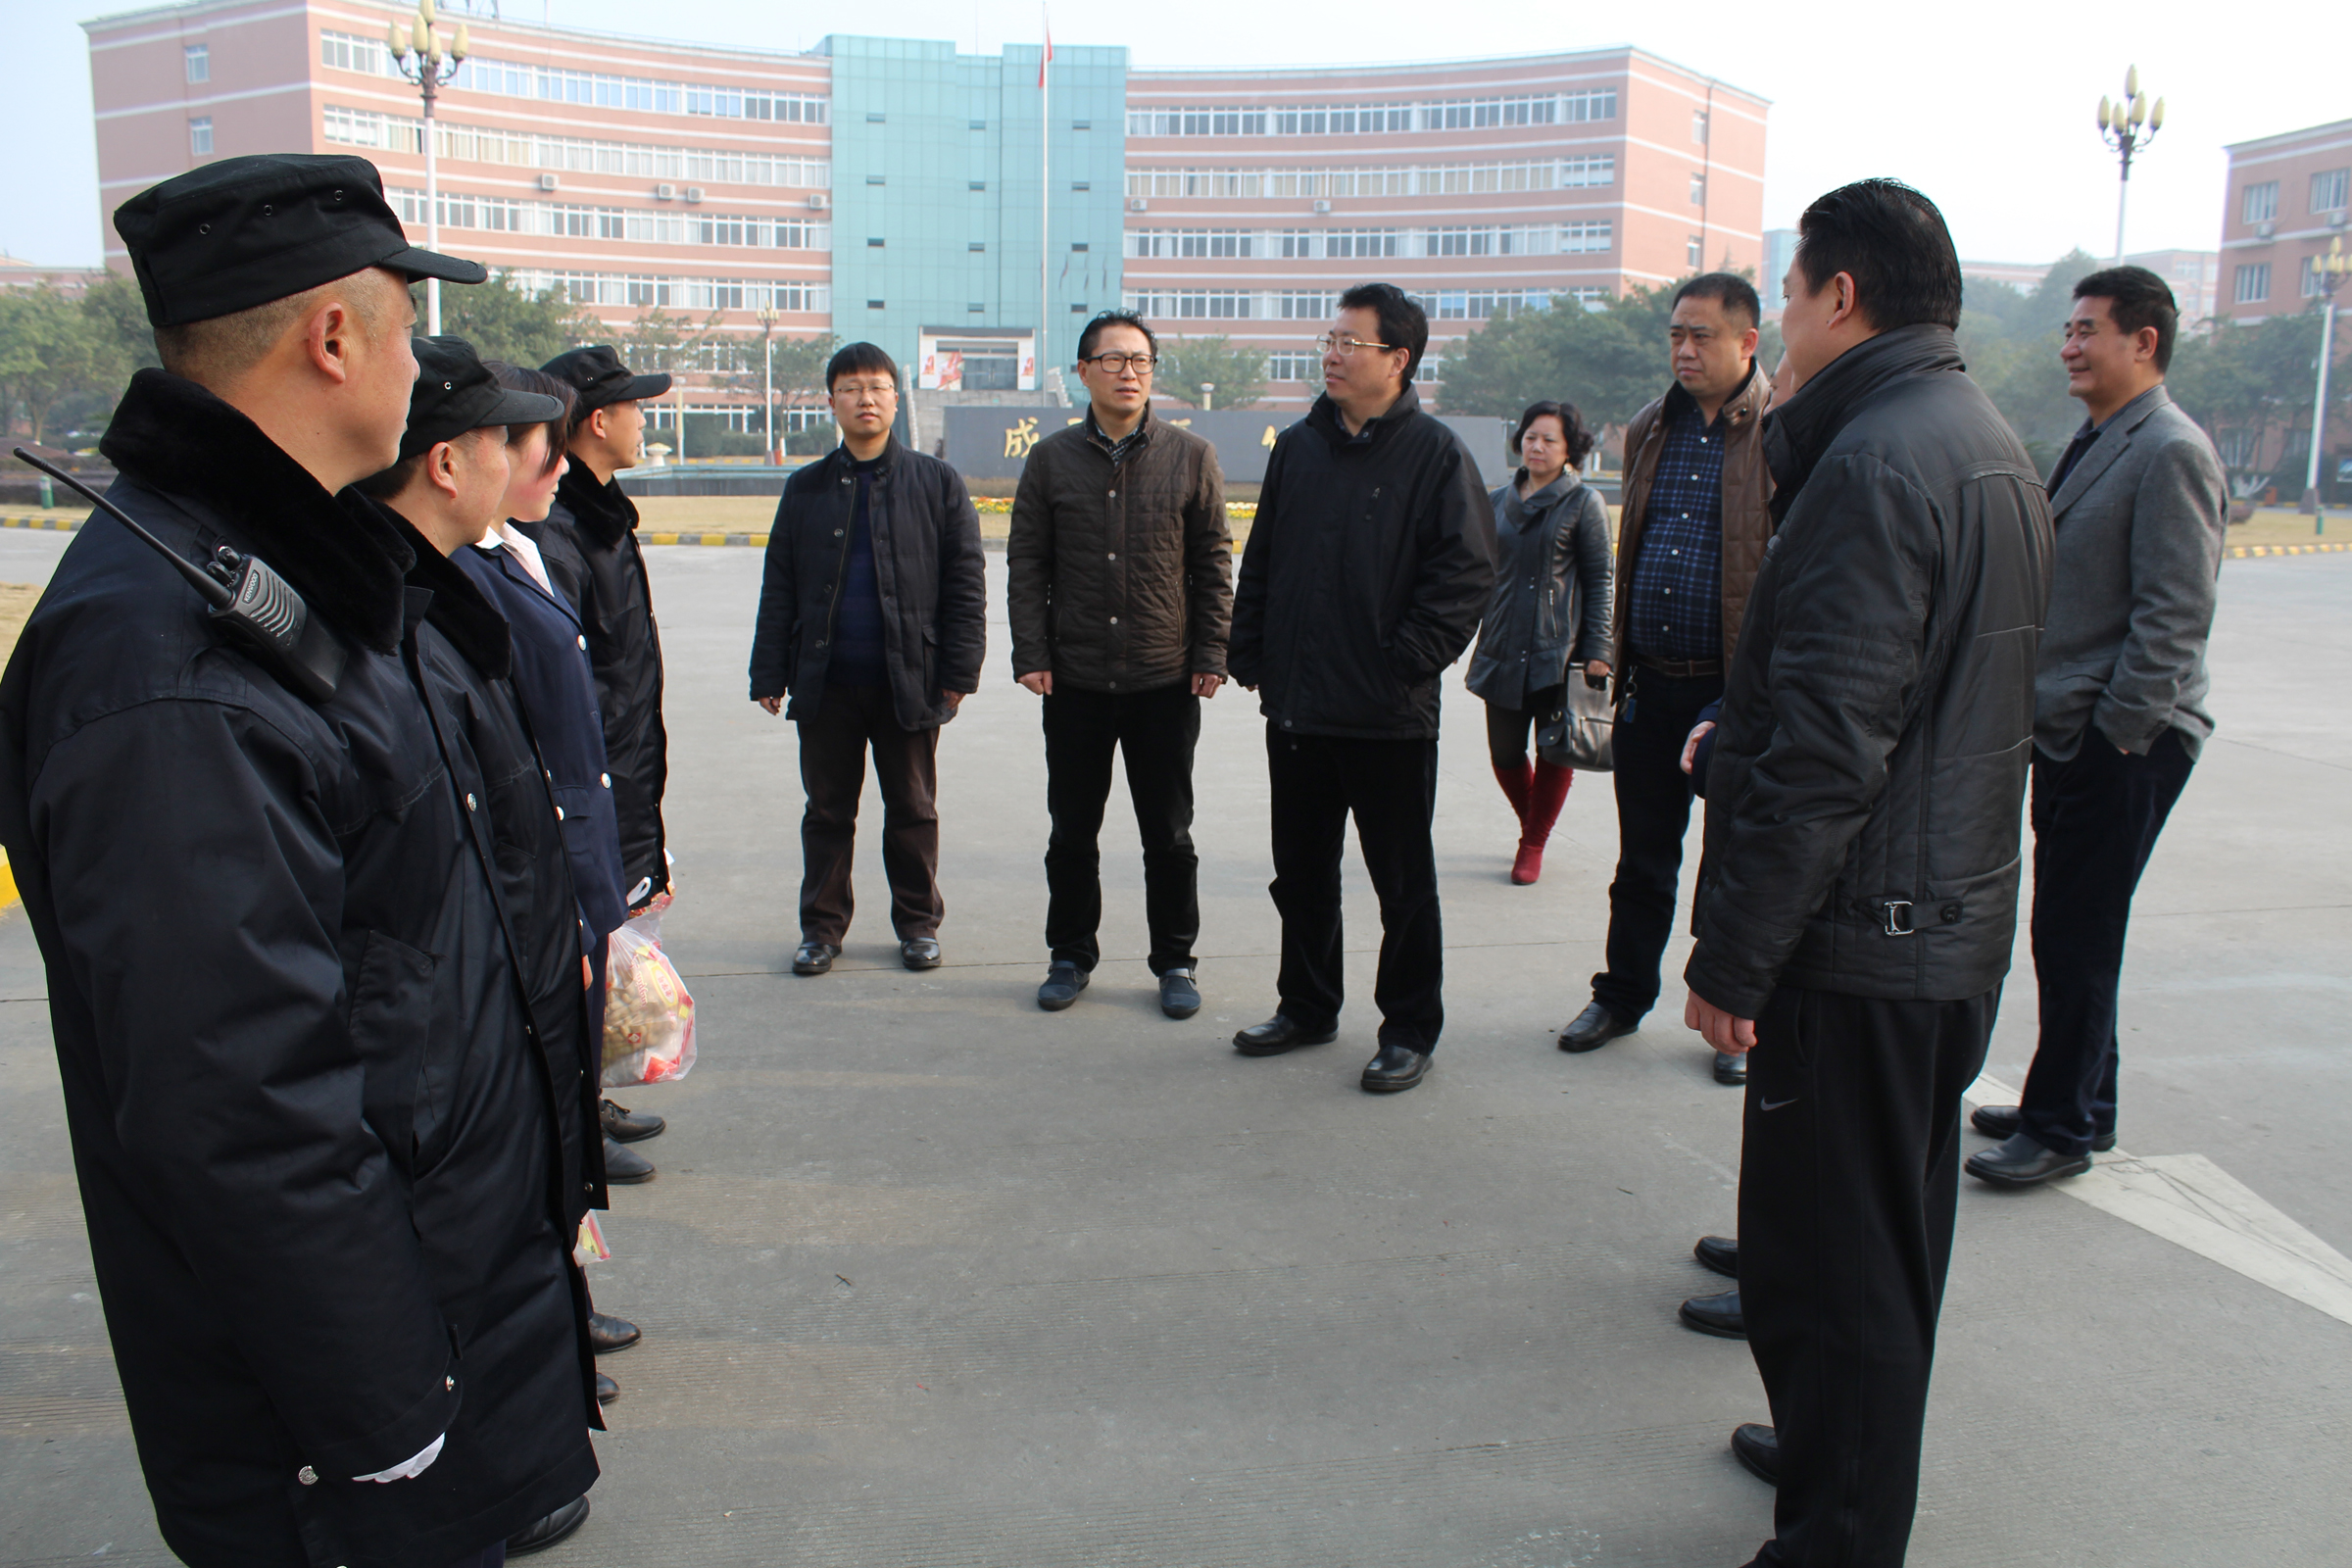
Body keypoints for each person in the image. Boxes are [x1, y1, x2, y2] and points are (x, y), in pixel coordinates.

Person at [0, 155, 601, 1568]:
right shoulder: (171, 662)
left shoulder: (315, 573)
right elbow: (242, 1106)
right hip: (356, 1419)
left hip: (450, 1297)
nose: (420, 366)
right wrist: (388, 1411)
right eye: (405, 326)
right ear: (334, 338)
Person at [1682, 179, 2052, 1567]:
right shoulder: (1982, 440)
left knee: (1831, 1271)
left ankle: (1839, 1532)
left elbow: (1832, 747)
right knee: (1881, 1252)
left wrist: (1734, 958)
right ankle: (1835, 1452)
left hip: (1865, 938)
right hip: (1942, 923)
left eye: (1789, 294)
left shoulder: (1876, 463)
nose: (1783, 320)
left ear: (1843, 296)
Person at [356, 334, 611, 1556]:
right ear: (450, 462)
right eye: (516, 441)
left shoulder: (441, 599)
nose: (535, 463)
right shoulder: (381, 621)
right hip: (441, 1067)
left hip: (501, 1017)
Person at [1965, 266, 2228, 1188]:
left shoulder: (2170, 450)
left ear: (2143, 342)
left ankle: (2061, 1126)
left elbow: (2175, 615)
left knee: (2077, 933)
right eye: (2068, 332)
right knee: (2074, 925)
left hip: (2124, 739)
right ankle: (2082, 1099)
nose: (2069, 347)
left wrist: (2115, 731)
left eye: (2087, 331)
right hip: (2077, 728)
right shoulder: (2101, 438)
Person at [1226, 282, 1494, 1095]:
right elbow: (1264, 556)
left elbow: (1466, 575)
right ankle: (1307, 1006)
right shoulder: (1298, 448)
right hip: (1299, 708)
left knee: (1401, 885)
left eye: (1351, 343)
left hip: (1388, 717)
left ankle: (1409, 1029)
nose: (1333, 355)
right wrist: (1253, 650)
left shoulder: (1435, 455)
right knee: (1301, 874)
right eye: (1330, 340)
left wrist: (1401, 663)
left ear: (1398, 359)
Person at [463, 361, 656, 1409]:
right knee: (533, 1123)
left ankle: (564, 1304)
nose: (549, 466)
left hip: (576, 860)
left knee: (566, 1111)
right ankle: (550, 1321)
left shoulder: (525, 548)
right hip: (533, 880)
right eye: (532, 446)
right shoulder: (463, 573)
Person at [1556, 273, 1774, 1088]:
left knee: (1732, 864)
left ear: (1748, 342)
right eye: (1676, 334)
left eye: (1702, 335)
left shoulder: (1781, 431)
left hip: (1733, 692)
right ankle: (1621, 996)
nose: (1685, 349)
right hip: (1651, 683)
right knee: (1643, 859)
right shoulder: (1653, 425)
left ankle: (1732, 1018)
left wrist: (1752, 692)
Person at [1006, 310, 1233, 1016]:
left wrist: (1212, 651)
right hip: (1074, 678)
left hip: (1164, 678)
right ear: (1084, 372)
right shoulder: (1050, 460)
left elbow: (1213, 563)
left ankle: (1176, 961)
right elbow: (1027, 563)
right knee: (1073, 832)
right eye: (1112, 360)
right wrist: (1031, 652)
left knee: (1169, 834)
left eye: (1140, 361)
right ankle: (1070, 955)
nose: (1128, 372)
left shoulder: (1191, 456)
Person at [747, 343, 987, 974]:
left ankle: (918, 925)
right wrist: (768, 670)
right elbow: (779, 583)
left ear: (895, 399)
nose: (865, 399)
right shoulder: (806, 488)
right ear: (832, 402)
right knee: (827, 812)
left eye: (877, 387)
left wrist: (959, 671)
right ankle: (821, 930)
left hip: (910, 679)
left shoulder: (936, 483)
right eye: (851, 389)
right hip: (826, 681)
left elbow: (966, 582)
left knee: (912, 810)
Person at [529, 344, 674, 916]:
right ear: (598, 420)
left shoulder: (604, 518)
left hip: (628, 786)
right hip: (596, 793)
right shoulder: (558, 534)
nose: (642, 421)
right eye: (634, 407)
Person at [1464, 399, 1612, 886]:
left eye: (1550, 439)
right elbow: (1477, 571)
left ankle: (1533, 843)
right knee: (1505, 753)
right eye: (1531, 436)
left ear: (1570, 448)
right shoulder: (1497, 500)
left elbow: (1600, 580)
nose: (1538, 446)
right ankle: (1535, 822)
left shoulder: (1584, 503)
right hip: (1503, 643)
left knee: (1554, 751)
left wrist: (1599, 649)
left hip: (1559, 649)